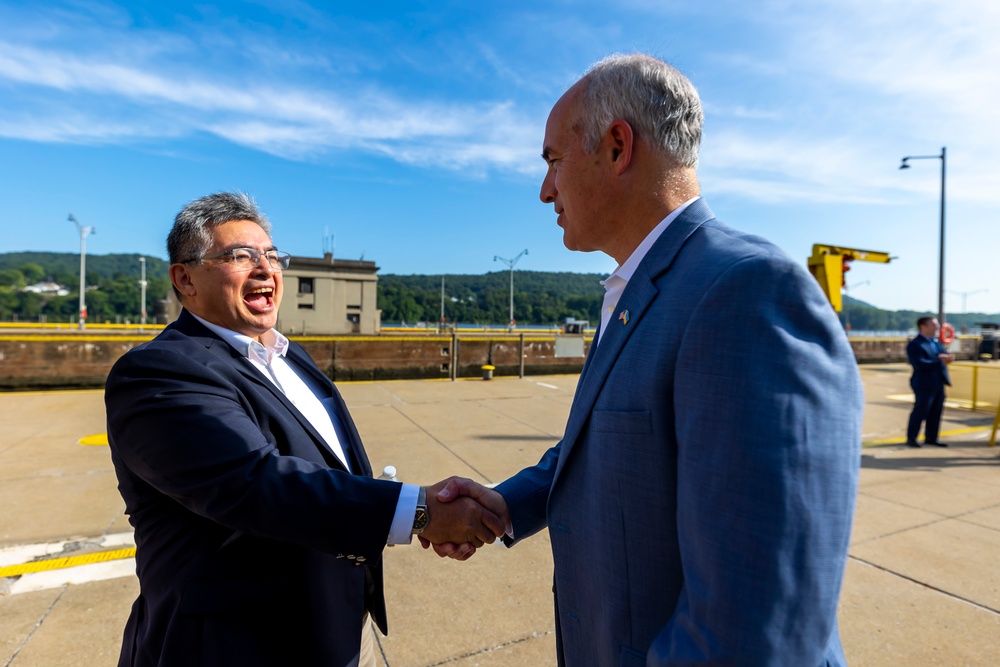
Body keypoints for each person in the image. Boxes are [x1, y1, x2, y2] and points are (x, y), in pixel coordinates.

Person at [431, 54, 864, 665]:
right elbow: (606, 445)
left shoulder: (746, 291)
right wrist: (510, 506)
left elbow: (755, 627)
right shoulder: (642, 290)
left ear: (616, 146)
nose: (545, 189)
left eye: (554, 159)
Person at [105, 192, 503, 667]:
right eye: (239, 256)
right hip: (234, 647)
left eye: (272, 256)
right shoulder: (159, 372)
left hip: (328, 632)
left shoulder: (290, 358)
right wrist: (419, 512)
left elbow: (330, 470)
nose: (264, 268)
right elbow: (254, 483)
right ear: (184, 277)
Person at [906, 316, 954, 447]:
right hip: (924, 383)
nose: (937, 327)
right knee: (920, 411)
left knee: (936, 411)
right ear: (923, 326)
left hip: (938, 382)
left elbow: (940, 356)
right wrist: (940, 362)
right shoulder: (915, 344)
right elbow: (919, 363)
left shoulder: (936, 342)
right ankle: (912, 438)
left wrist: (947, 358)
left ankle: (931, 437)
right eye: (933, 325)